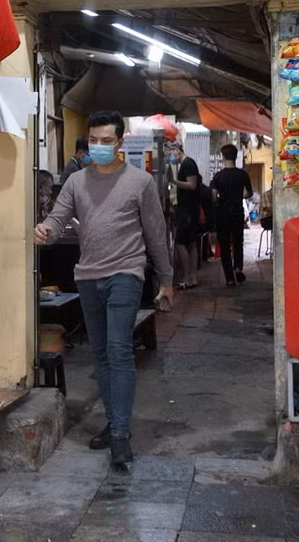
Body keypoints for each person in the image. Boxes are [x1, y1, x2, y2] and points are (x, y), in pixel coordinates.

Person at [34, 110, 173, 470]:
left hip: (126, 273)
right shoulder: (78, 182)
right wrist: (46, 230)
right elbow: (58, 216)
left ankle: (121, 436)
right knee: (101, 355)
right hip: (87, 277)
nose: (98, 147)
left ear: (120, 143)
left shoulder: (140, 183)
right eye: (93, 141)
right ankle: (114, 423)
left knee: (119, 350)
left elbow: (156, 235)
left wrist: (167, 280)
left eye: (106, 141)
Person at [210, 144, 254, 285]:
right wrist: (239, 196)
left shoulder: (218, 176)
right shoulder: (242, 175)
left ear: (223, 157)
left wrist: (219, 199)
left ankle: (229, 278)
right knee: (238, 242)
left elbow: (213, 196)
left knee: (224, 245)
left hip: (223, 214)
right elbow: (249, 193)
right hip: (237, 212)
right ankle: (238, 268)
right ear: (236, 157)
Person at [170, 143, 202, 289]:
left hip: (188, 210)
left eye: (172, 152)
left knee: (180, 243)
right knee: (191, 244)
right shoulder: (186, 163)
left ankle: (187, 278)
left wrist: (173, 181)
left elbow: (192, 184)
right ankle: (192, 277)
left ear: (177, 150)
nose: (172, 156)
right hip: (189, 209)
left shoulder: (188, 163)